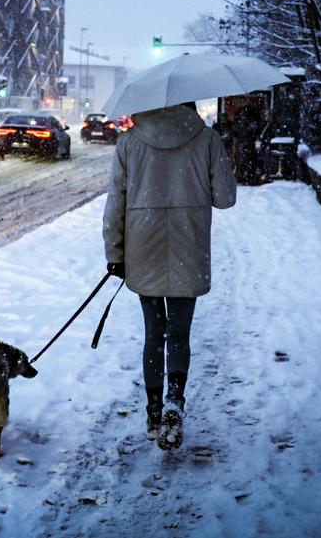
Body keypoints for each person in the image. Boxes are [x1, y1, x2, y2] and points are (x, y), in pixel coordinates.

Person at [102, 102, 236, 450]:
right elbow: (225, 198)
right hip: (187, 242)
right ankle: (174, 402)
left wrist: (115, 253)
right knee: (179, 333)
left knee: (153, 333)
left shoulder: (129, 143)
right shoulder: (207, 139)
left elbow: (116, 201)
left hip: (143, 242)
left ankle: (153, 409)